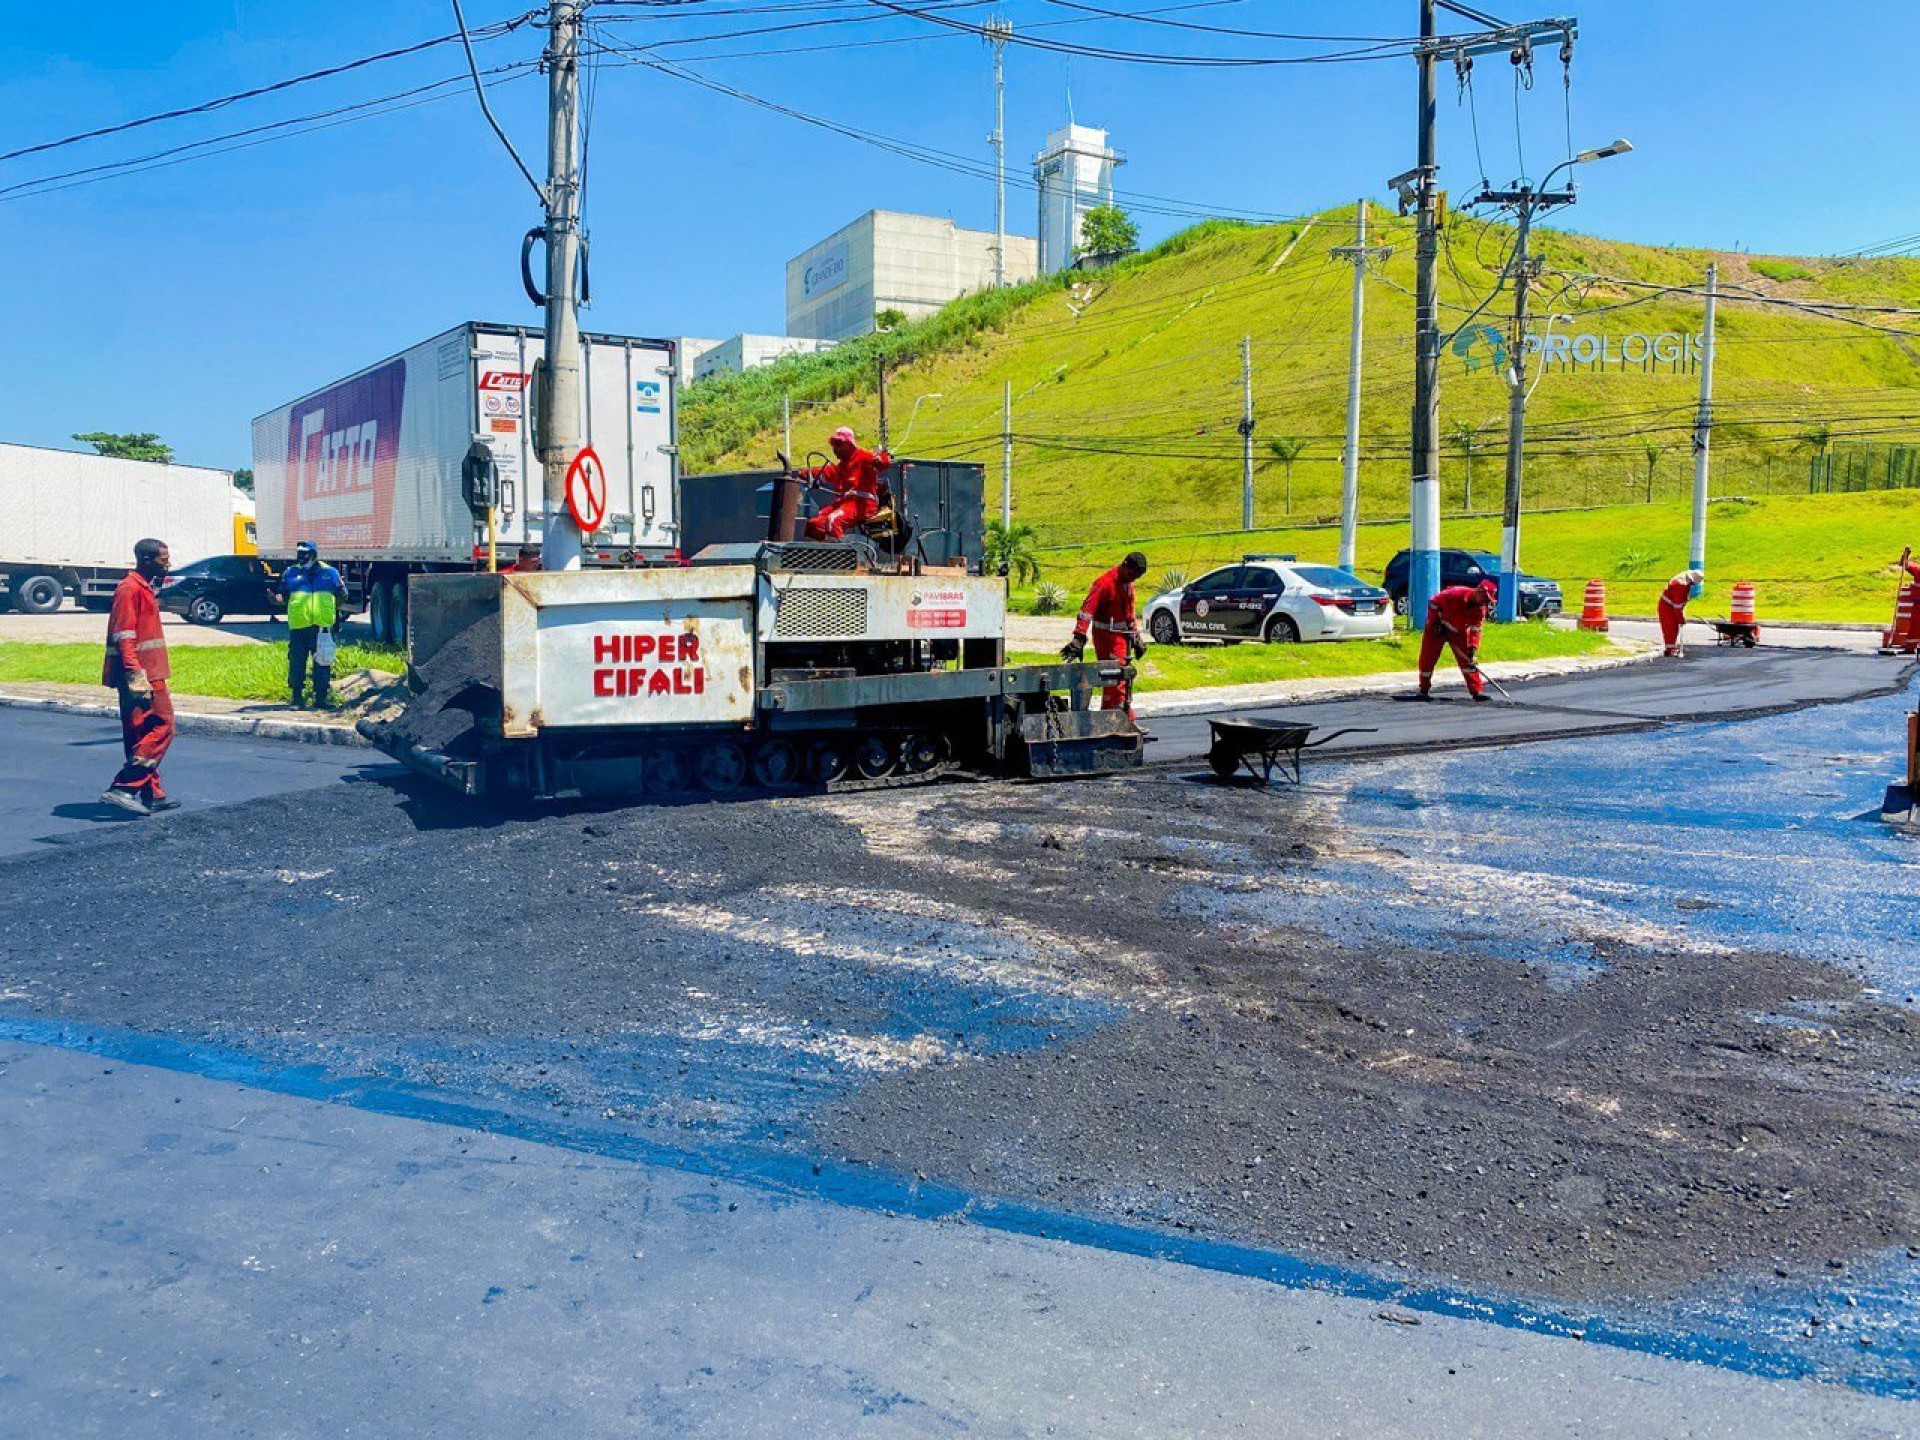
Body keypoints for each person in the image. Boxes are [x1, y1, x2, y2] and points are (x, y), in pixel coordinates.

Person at [99, 538, 178, 815]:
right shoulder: (129, 589)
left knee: (140, 732)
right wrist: (135, 674)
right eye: (163, 559)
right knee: (163, 726)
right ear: (146, 560)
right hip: (141, 674)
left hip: (149, 671)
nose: (168, 563)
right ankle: (123, 788)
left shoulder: (143, 587)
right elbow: (124, 635)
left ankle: (152, 793)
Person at [1060, 551, 1148, 715]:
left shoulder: (1127, 584)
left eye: (1137, 576)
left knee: (1121, 676)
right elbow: (1087, 611)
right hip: (1107, 637)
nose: (1134, 579)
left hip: (1122, 637)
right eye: (1133, 574)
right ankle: (1116, 714)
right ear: (1125, 565)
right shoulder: (1103, 584)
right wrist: (1079, 637)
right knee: (1116, 674)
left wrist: (1136, 637)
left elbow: (1130, 613)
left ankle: (1114, 713)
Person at [277, 540, 349, 708]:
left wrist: (331, 610)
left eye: (305, 554)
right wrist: (277, 600)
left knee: (322, 662)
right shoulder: (290, 573)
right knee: (296, 661)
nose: (301, 558)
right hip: (298, 626)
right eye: (299, 554)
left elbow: (342, 595)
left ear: (314, 555)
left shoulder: (330, 573)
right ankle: (297, 697)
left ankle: (321, 699)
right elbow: (283, 595)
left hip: (321, 627)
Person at [801, 426, 892, 541]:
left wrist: (881, 459)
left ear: (849, 444)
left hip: (862, 503)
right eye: (834, 445)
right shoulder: (842, 466)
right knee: (813, 524)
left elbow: (883, 462)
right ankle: (820, 554)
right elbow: (827, 473)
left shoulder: (863, 456)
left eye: (838, 444)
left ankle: (840, 556)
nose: (834, 449)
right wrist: (804, 473)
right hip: (845, 503)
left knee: (833, 519)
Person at [1416, 577, 1499, 701]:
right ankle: (1424, 689)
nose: (1485, 602)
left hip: (1457, 632)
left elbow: (1476, 629)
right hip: (1436, 629)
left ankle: (1477, 691)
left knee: (1468, 661)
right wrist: (1435, 623)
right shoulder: (1456, 593)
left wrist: (1473, 647)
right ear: (1479, 592)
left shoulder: (1480, 610)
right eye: (1485, 599)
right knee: (1428, 658)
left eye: (1488, 601)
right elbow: (1433, 603)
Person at [1657, 568, 1704, 658]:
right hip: (1666, 608)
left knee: (1674, 628)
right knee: (1670, 628)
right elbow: (1678, 606)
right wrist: (1681, 619)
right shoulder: (1679, 585)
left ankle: (1672, 648)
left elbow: (1681, 603)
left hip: (1671, 606)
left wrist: (1682, 615)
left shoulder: (1685, 580)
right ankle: (1670, 650)